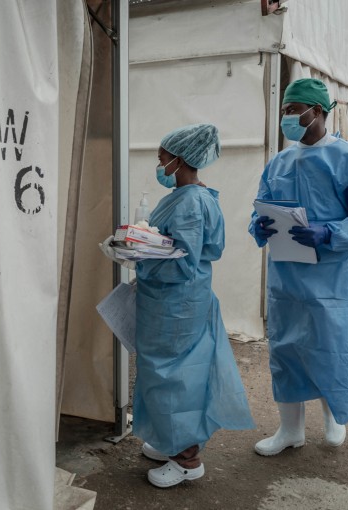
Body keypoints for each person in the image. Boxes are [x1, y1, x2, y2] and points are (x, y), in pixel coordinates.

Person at [101, 124, 255, 488]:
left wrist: (135, 254)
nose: (159, 165)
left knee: (175, 378)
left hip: (176, 304)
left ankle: (188, 460)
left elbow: (183, 262)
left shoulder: (189, 203)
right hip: (176, 302)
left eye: (161, 159)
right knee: (167, 374)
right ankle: (173, 443)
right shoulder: (198, 195)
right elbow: (195, 250)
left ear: (179, 160)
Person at [248, 79, 348, 456]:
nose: (288, 117)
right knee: (287, 348)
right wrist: (258, 225)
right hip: (286, 277)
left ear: (319, 112)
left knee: (330, 346)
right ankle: (290, 429)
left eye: (295, 110)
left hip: (330, 279)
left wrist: (330, 232)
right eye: (285, 111)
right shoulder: (279, 162)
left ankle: (334, 416)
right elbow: (260, 205)